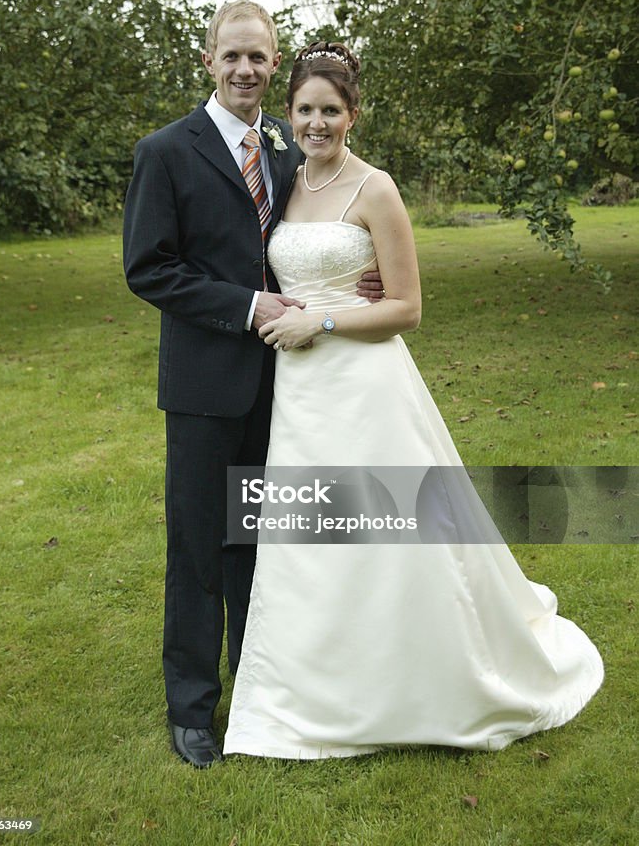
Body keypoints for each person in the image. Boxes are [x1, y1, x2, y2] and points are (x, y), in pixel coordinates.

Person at [222, 41, 604, 758]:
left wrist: (324, 317)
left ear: (353, 116)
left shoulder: (377, 189)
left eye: (330, 111)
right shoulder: (283, 180)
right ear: (289, 113)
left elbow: (406, 307)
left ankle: (421, 680)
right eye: (304, 109)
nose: (316, 123)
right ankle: (309, 689)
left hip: (366, 384)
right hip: (300, 394)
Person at [122, 4, 381, 768]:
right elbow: (150, 269)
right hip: (205, 389)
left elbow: (314, 241)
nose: (245, 70)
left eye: (259, 58)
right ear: (208, 60)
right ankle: (193, 709)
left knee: (265, 544)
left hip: (291, 389)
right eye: (231, 56)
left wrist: (341, 299)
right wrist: (245, 306)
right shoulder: (166, 152)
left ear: (274, 66)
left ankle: (263, 688)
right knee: (202, 547)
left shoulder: (286, 147)